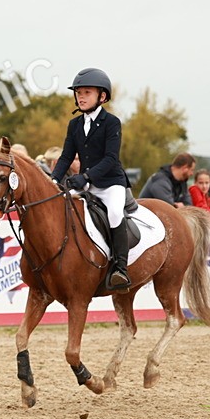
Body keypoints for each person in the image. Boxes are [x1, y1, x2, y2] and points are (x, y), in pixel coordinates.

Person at [49, 67, 131, 291]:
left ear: (102, 96)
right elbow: (66, 157)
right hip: (86, 184)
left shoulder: (111, 122)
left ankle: (120, 268)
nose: (81, 97)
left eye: (86, 92)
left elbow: (111, 159)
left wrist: (85, 176)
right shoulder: (74, 124)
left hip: (111, 183)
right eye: (78, 93)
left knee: (114, 213)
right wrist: (53, 179)